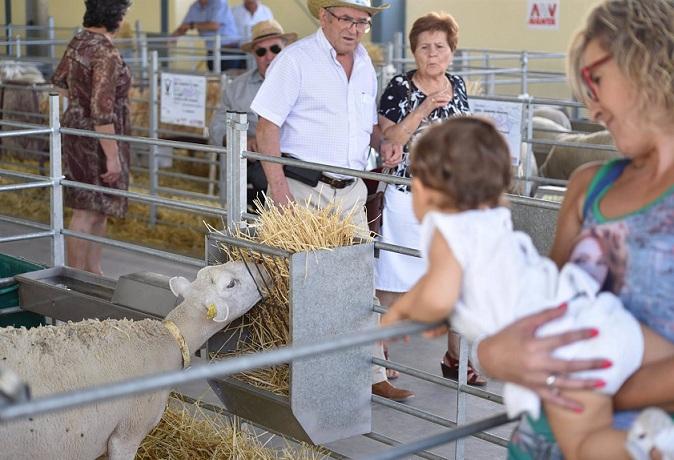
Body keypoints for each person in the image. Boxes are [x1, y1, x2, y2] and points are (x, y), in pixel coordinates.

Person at [381, 116, 674, 459]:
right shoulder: (494, 221)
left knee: (582, 444)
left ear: (425, 190)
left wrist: (403, 313)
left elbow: (439, 293)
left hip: (562, 350)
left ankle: (646, 443)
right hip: (599, 317)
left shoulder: (445, 228)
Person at [465, 0, 674, 458]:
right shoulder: (588, 186)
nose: (589, 105)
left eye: (594, 79)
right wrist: (491, 355)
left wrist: (583, 389)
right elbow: (540, 310)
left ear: (647, 56)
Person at [251, 0, 413, 402]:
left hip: (351, 191)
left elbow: (366, 127)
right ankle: (305, 378)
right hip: (304, 189)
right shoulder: (295, 60)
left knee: (359, 281)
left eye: (362, 21)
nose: (355, 28)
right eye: (346, 19)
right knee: (306, 286)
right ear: (323, 16)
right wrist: (277, 185)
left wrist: (383, 144)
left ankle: (372, 374)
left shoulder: (365, 67)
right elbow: (267, 125)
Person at [374, 12, 483, 385]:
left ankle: (456, 357)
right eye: (424, 48)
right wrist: (425, 107)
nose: (432, 54)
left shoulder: (458, 84)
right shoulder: (399, 88)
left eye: (440, 47)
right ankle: (378, 354)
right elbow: (390, 142)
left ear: (451, 51)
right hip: (408, 198)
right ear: (413, 52)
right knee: (393, 278)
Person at [51, 0, 132, 275]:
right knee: (87, 210)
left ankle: (90, 272)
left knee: (95, 208)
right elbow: (101, 111)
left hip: (77, 134)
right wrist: (113, 157)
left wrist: (75, 109)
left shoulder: (79, 41)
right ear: (116, 17)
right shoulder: (105, 52)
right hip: (99, 139)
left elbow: (59, 82)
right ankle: (78, 277)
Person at [209, 19, 297, 210]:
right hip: (248, 174)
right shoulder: (236, 89)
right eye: (261, 51)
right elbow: (216, 128)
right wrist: (242, 139)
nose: (269, 56)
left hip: (294, 175)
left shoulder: (303, 85)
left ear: (285, 49)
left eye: (275, 49)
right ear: (254, 55)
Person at [171, 0, 243, 71]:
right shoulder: (195, 6)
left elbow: (214, 26)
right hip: (212, 51)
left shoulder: (219, 2)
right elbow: (184, 26)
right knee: (214, 79)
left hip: (229, 50)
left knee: (229, 79)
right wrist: (171, 39)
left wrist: (192, 25)